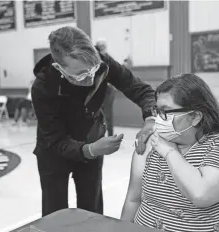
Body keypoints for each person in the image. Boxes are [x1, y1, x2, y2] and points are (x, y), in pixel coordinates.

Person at [31, 26, 156, 217]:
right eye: (81, 74)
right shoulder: (43, 86)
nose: (90, 79)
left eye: (93, 70)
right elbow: (54, 140)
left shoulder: (102, 63)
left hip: (92, 138)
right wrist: (90, 150)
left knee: (92, 209)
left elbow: (140, 89)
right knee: (54, 212)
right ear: (59, 68)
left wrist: (150, 118)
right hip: (54, 152)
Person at [121, 74, 219, 232]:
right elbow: (133, 199)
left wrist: (169, 152)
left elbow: (201, 194)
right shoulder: (150, 143)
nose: (158, 119)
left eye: (165, 112)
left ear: (195, 117)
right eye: (157, 111)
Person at [95, 38, 115, 136]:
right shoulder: (96, 59)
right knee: (100, 114)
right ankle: (101, 135)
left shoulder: (108, 60)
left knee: (107, 114)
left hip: (107, 90)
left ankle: (110, 135)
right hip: (100, 89)